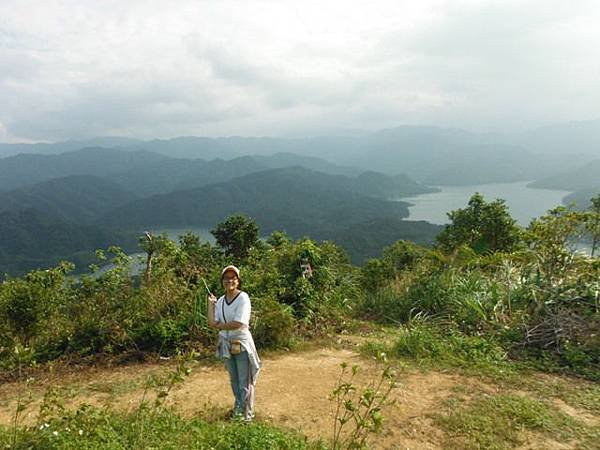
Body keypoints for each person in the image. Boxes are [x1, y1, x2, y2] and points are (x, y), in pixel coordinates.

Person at [208, 265, 261, 421]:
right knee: (234, 379)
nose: (229, 280)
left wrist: (220, 326)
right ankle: (238, 409)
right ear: (222, 281)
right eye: (226, 278)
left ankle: (247, 415)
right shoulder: (221, 301)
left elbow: (239, 323)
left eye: (233, 278)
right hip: (226, 343)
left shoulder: (243, 297)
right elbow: (212, 322)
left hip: (241, 343)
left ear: (238, 281)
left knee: (245, 380)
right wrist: (210, 305)